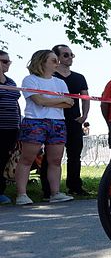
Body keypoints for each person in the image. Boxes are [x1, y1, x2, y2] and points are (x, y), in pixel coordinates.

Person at [15, 50, 74, 205]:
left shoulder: (60, 82)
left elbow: (70, 103)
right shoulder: (30, 80)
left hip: (57, 122)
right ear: (42, 62)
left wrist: (50, 100)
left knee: (55, 160)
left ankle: (55, 193)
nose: (57, 63)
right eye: (54, 60)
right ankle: (21, 194)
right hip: (35, 121)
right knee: (27, 158)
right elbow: (38, 100)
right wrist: (59, 100)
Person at [39, 44, 89, 197]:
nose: (70, 58)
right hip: (54, 120)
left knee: (75, 155)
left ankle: (75, 186)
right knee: (51, 156)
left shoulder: (79, 77)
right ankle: (48, 190)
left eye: (71, 54)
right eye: (65, 55)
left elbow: (85, 97)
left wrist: (85, 115)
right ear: (57, 57)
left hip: (74, 120)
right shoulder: (50, 77)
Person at [0, 50, 21, 205]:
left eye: (9, 62)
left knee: (4, 159)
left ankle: (1, 191)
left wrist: (19, 123)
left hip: (11, 127)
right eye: (4, 61)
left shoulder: (11, 82)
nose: (8, 65)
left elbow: (15, 103)